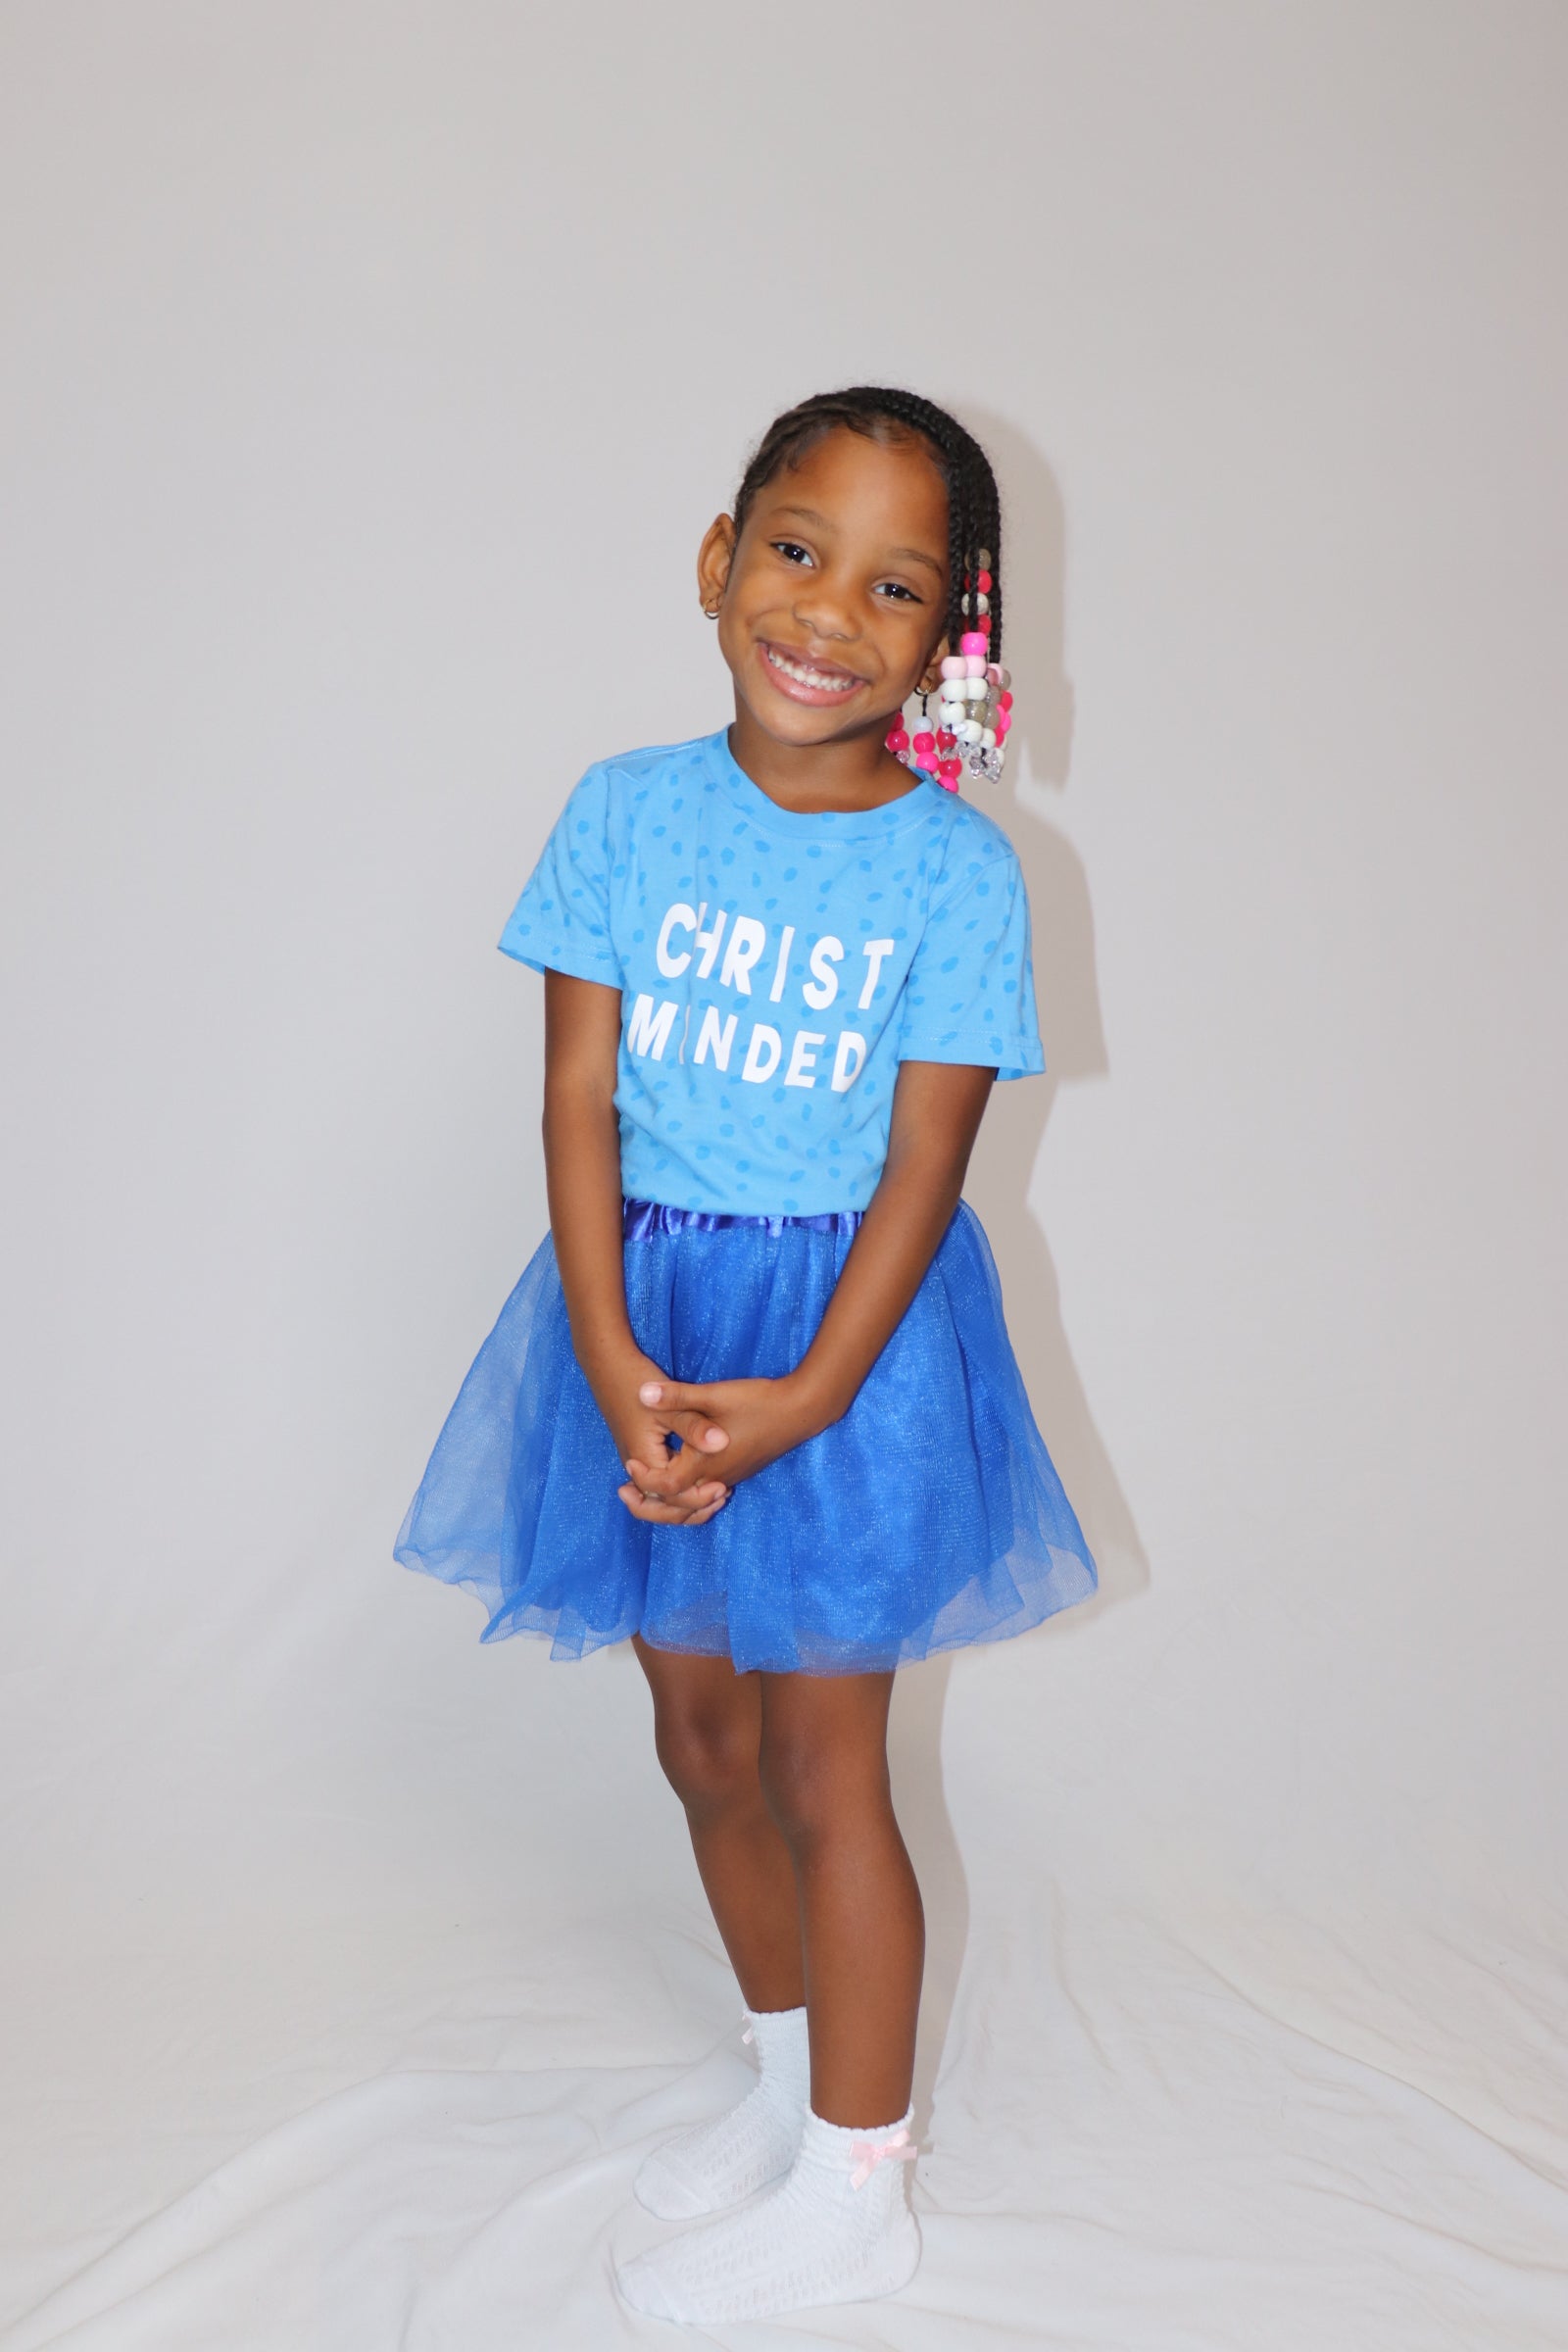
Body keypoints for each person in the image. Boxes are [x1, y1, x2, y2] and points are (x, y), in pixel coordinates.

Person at [395, 386, 1098, 2325]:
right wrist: (615, 1359)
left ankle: (862, 2181)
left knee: (819, 1760)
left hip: (838, 1356)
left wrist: (802, 1397)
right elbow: (574, 1106)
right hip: (639, 1325)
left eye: (892, 585)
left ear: (946, 635)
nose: (823, 612)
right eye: (793, 551)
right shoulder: (620, 814)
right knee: (699, 1737)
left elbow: (926, 1172)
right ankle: (788, 2084)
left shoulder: (957, 875)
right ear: (719, 562)